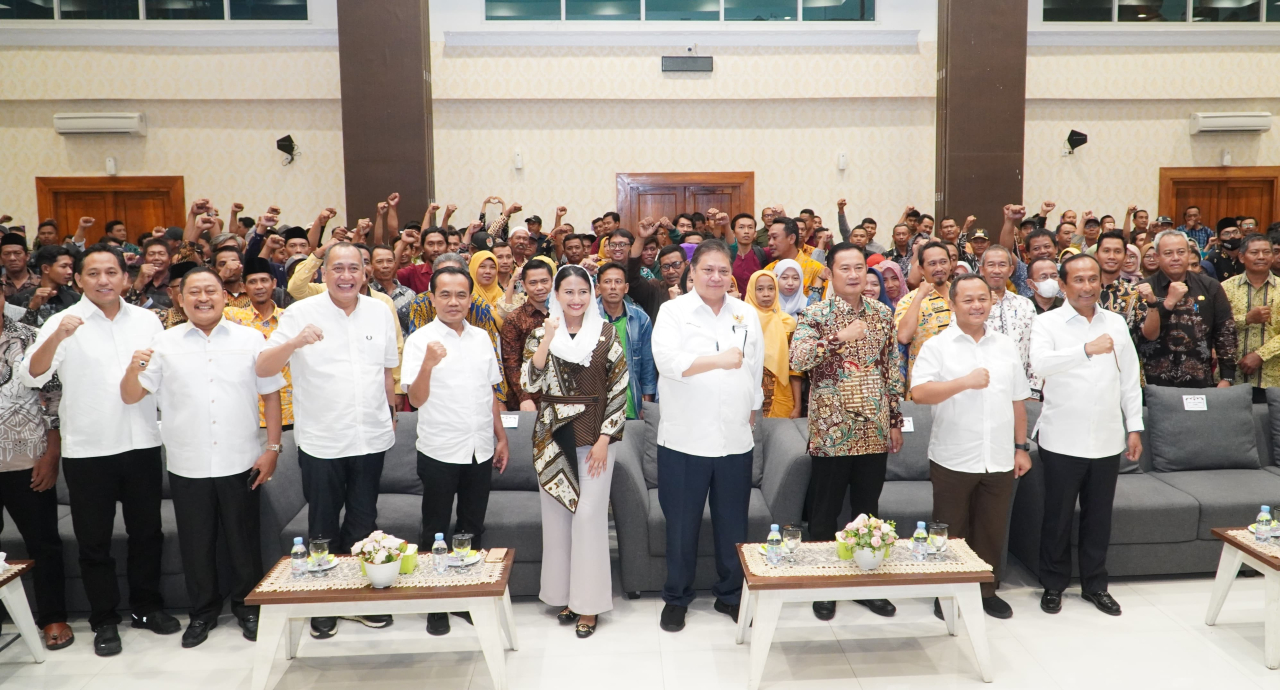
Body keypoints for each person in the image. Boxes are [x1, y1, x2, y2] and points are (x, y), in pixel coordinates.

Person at [20, 244, 178, 657]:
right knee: (94, 542)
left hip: (141, 442)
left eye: (112, 272)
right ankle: (104, 619)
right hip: (88, 449)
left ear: (126, 278)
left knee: (147, 532)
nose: (104, 280)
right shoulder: (62, 321)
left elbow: (165, 374)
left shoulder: (147, 320)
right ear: (78, 280)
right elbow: (33, 375)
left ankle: (147, 607)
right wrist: (57, 336)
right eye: (93, 273)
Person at [119, 267, 284, 648]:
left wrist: (272, 448)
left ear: (225, 295)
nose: (203, 298)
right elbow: (131, 396)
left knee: (244, 542)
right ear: (180, 297)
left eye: (211, 290)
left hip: (241, 458)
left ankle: (248, 608)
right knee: (196, 544)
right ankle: (203, 613)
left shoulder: (250, 338)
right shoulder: (163, 342)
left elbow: (271, 394)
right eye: (194, 292)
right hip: (187, 462)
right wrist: (133, 368)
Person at [256, 242, 399, 640]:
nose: (346, 276)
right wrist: (294, 342)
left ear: (365, 273)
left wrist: (389, 414)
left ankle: (359, 600)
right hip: (321, 439)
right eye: (338, 268)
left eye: (355, 267)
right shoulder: (300, 314)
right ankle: (322, 602)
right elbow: (263, 365)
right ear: (322, 273)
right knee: (321, 525)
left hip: (370, 436)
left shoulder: (379, 311)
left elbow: (387, 371)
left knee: (364, 521)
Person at [650, 240, 763, 633]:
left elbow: (755, 367)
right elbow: (667, 362)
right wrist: (718, 360)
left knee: (733, 524)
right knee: (681, 526)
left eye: (723, 270)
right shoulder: (672, 312)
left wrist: (752, 409)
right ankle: (677, 598)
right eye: (708, 270)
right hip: (684, 441)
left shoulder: (746, 313)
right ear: (692, 272)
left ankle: (730, 595)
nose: (716, 277)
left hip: (734, 440)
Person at [791, 243, 904, 621]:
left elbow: (892, 370)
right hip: (832, 427)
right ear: (831, 273)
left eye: (859, 268)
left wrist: (894, 421)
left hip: (873, 427)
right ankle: (825, 586)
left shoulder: (882, 315)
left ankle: (865, 584)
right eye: (845, 269)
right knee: (824, 512)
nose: (854, 275)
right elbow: (799, 359)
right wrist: (839, 337)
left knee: (867, 511)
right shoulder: (815, 313)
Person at [911, 274, 1031, 620]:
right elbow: (919, 393)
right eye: (968, 300)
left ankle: (985, 590)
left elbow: (1018, 400)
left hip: (998, 457)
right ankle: (946, 592)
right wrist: (964, 382)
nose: (977, 305)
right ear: (953, 304)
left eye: (983, 299)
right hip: (953, 455)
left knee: (992, 530)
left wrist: (1020, 447)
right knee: (949, 530)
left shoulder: (1005, 345)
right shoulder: (938, 345)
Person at [1031, 253, 1143, 617]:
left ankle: (1095, 585)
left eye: (1093, 279)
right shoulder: (1047, 323)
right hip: (1062, 437)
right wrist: (1085, 349)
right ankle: (1053, 584)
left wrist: (1135, 426)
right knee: (1058, 516)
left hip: (1108, 437)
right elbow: (1040, 365)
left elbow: (1129, 379)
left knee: (1099, 517)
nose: (1087, 286)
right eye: (1078, 280)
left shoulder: (1116, 323)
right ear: (1062, 285)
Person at [401, 265, 510, 637]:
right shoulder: (420, 341)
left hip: (480, 447)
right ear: (431, 298)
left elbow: (490, 393)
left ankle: (466, 596)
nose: (453, 301)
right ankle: (434, 602)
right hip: (439, 450)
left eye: (461, 294)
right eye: (444, 294)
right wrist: (428, 365)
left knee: (472, 526)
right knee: (435, 528)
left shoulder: (482, 338)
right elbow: (414, 400)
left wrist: (501, 437)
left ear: (470, 298)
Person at [521, 265, 628, 638]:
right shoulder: (540, 332)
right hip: (552, 436)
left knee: (588, 521)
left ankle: (590, 606)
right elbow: (528, 382)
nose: (576, 299)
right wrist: (548, 339)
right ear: (556, 294)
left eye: (583, 291)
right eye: (568, 292)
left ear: (592, 293)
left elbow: (619, 389)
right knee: (558, 520)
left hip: (595, 438)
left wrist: (604, 439)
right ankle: (565, 596)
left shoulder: (606, 333)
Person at [0, 286, 70, 651]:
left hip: (27, 459)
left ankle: (53, 617)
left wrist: (51, 453)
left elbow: (53, 398)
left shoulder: (29, 337)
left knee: (43, 543)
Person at [1139, 230, 1237, 388]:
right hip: (1154, 382)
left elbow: (1225, 333)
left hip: (1199, 378)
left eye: (1181, 252)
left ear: (1189, 253)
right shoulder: (1144, 288)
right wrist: (1167, 303)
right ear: (1157, 257)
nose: (1176, 258)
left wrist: (1227, 377)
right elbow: (1141, 336)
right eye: (1168, 253)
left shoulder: (1210, 286)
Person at [224, 258, 294, 429]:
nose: (259, 286)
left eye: (264, 280)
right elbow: (206, 305)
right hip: (247, 415)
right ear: (243, 287)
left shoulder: (290, 318)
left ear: (274, 283)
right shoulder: (231, 317)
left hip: (290, 413)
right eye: (252, 282)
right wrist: (222, 276)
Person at [1224, 235, 1280, 403]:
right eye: (1254, 252)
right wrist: (1246, 319)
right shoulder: (1224, 288)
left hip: (1273, 378)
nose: (1261, 257)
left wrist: (1260, 355)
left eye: (1266, 252)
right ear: (1241, 257)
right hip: (1233, 377)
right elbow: (1216, 327)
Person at [596, 262, 655, 420]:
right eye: (607, 282)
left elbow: (647, 365)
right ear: (598, 287)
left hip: (630, 404)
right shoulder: (587, 318)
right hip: (596, 406)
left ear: (626, 288)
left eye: (618, 282)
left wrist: (646, 404)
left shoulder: (640, 319)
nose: (613, 287)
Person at [978, 245, 1039, 398]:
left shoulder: (1025, 305)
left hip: (1020, 391)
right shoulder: (970, 305)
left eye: (1002, 265)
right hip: (980, 391)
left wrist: (1033, 391)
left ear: (1011, 270)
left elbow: (1036, 348)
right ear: (982, 269)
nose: (997, 270)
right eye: (991, 265)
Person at [895, 241, 952, 388]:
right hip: (924, 384)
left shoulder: (963, 295)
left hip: (960, 381)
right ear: (921, 268)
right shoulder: (909, 300)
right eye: (932, 263)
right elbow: (903, 337)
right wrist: (920, 296)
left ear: (951, 264)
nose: (939, 268)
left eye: (943, 262)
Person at [744, 270, 800, 419]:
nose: (766, 294)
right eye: (760, 289)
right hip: (746, 397)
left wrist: (798, 406)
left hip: (780, 395)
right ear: (751, 291)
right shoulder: (742, 322)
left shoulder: (787, 323)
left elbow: (794, 369)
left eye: (771, 288)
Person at [500, 260, 553, 411]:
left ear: (552, 281)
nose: (540, 287)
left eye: (544, 281)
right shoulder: (514, 319)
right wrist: (524, 397)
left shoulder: (565, 315)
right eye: (533, 283)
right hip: (529, 401)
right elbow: (511, 364)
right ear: (523, 285)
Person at [1096, 231, 1158, 349]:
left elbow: (1151, 335)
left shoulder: (1135, 293)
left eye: (1117, 251)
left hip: (1124, 363)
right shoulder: (1083, 292)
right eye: (1106, 251)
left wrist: (1152, 304)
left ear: (1124, 256)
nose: (1111, 256)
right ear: (1096, 255)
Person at [12, 245, 79, 327]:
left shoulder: (75, 300)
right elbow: (16, 333)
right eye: (63, 266)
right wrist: (32, 308)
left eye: (70, 267)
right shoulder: (20, 299)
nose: (69, 271)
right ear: (46, 268)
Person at [764, 217, 824, 302]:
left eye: (775, 237)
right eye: (769, 238)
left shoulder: (817, 270)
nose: (770, 243)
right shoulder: (768, 271)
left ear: (791, 238)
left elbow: (824, 306)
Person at [370, 244, 415, 334]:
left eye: (389, 261)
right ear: (371, 265)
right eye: (379, 262)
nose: (385, 266)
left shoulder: (409, 294)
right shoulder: (367, 293)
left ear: (395, 264)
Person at [730, 214, 767, 290]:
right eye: (741, 227)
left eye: (750, 227)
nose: (746, 231)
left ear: (755, 233)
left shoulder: (762, 254)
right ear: (733, 233)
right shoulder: (727, 257)